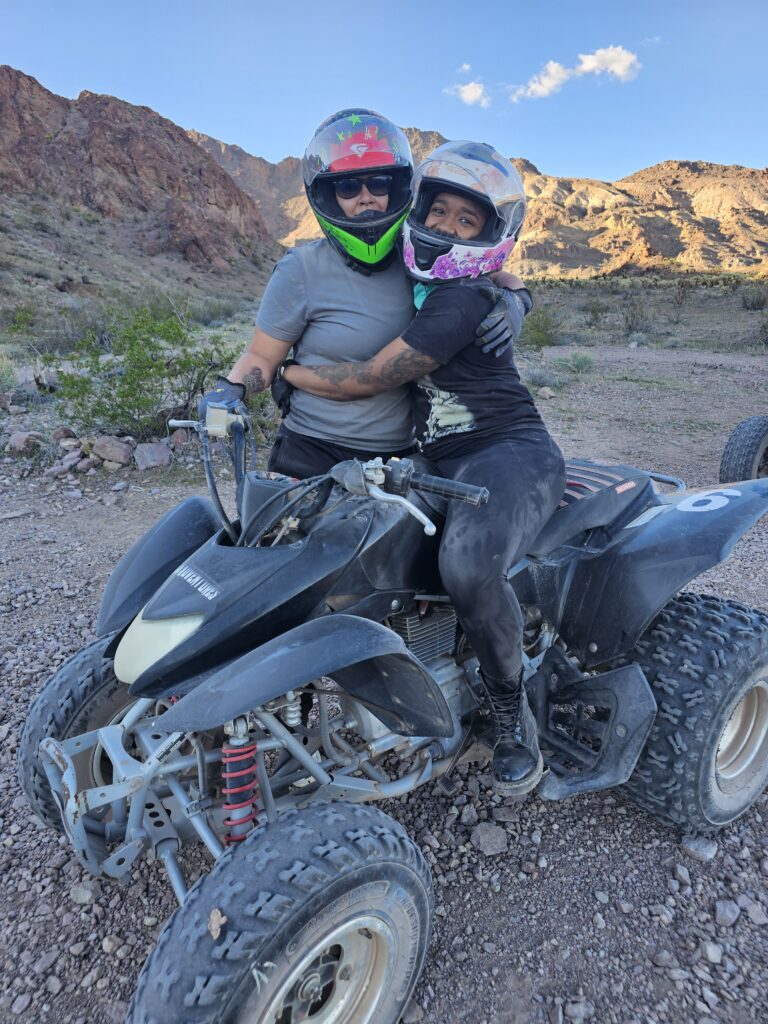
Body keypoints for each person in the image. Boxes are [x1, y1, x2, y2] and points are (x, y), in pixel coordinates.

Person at [281, 142, 566, 796]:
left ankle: (511, 718)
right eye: (438, 212)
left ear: (490, 237)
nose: (446, 228)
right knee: (341, 526)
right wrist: (519, 293)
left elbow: (373, 378)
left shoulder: (459, 300)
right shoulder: (413, 281)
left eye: (467, 223)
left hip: (509, 451)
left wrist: (286, 374)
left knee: (467, 566)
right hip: (436, 455)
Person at [198, 109, 520, 477]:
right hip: (311, 451)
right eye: (348, 187)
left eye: (379, 183)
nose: (365, 198)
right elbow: (261, 355)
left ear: (398, 187)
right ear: (329, 195)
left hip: (397, 462)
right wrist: (230, 390)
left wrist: (515, 302)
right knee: (273, 535)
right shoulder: (302, 268)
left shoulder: (422, 258)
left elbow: (492, 272)